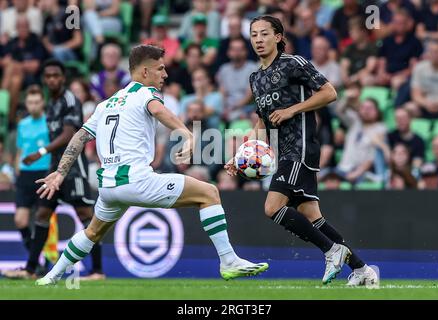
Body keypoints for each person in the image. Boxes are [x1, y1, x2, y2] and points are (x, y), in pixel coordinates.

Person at [35, 45, 268, 286]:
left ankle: (51, 277)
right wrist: (186, 133)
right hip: (137, 181)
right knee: (209, 193)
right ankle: (228, 260)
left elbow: (79, 138)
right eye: (160, 69)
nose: (165, 74)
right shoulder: (147, 94)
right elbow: (158, 110)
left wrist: (60, 173)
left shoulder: (105, 104)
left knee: (92, 232)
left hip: (108, 187)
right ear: (145, 72)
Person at [225, 15, 378, 286]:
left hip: (301, 147)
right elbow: (262, 120)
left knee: (272, 208)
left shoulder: (293, 63)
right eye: (254, 35)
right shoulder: (255, 78)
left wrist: (292, 109)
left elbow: (330, 93)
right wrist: (240, 156)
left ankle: (332, 251)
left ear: (278, 37)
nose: (258, 40)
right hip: (284, 152)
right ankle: (362, 269)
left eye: (264, 34)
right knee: (312, 216)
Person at [2, 60, 104, 281]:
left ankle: (97, 271)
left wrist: (41, 151)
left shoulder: (70, 100)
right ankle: (30, 269)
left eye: (55, 75)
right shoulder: (52, 104)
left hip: (73, 169)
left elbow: (69, 135)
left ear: (63, 78)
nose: (51, 80)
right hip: (55, 170)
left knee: (86, 216)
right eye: (48, 76)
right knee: (42, 214)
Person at [14, 86, 50, 253]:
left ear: (43, 103)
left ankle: (37, 262)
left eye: (36, 102)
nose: (33, 106)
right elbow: (20, 150)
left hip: (44, 173)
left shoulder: (49, 122)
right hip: (25, 175)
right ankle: (34, 257)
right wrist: (17, 169)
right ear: (26, 104)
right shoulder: (22, 124)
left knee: (41, 219)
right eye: (30, 102)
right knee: (20, 220)